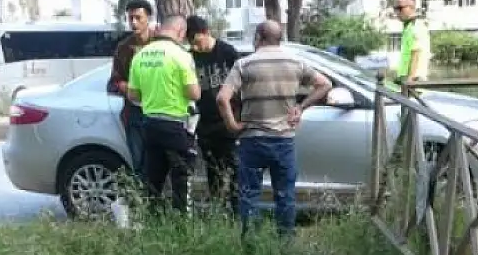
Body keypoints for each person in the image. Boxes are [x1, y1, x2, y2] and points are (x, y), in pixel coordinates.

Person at [216, 20, 331, 236]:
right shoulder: (296, 62)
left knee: (249, 195)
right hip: (283, 141)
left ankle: (250, 244)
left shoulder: (244, 64)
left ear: (259, 37)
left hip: (252, 140)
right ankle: (285, 243)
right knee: (285, 195)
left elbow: (222, 98)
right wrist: (301, 106)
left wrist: (233, 125)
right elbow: (325, 84)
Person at [126, 15, 202, 214]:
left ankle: (153, 223)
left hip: (150, 125)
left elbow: (133, 95)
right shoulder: (181, 55)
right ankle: (181, 228)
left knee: (154, 181)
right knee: (181, 181)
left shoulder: (141, 55)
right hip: (176, 125)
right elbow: (194, 93)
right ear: (180, 32)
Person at [185, 15, 241, 208]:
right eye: (191, 42)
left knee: (235, 169)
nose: (195, 46)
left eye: (197, 40)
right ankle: (217, 210)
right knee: (213, 171)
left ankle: (237, 210)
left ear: (206, 32)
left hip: (228, 121)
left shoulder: (227, 52)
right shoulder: (190, 56)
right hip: (205, 123)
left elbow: (241, 85)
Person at [107, 0, 155, 173]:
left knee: (162, 164)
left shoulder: (161, 43)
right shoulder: (124, 48)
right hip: (134, 113)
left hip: (162, 110)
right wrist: (125, 87)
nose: (134, 22)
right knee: (139, 164)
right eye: (130, 18)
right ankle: (143, 199)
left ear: (148, 18)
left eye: (138, 17)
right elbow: (113, 81)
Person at [390, 0, 431, 88]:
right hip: (406, 81)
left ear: (411, 7)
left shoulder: (416, 25)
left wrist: (410, 80)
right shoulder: (408, 26)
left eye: (400, 8)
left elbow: (416, 53)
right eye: (395, 8)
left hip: (413, 82)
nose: (397, 12)